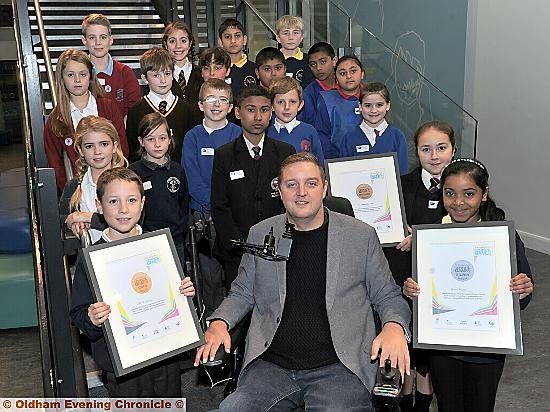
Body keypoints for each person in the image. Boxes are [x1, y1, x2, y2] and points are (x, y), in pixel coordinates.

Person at [196, 152, 411, 411]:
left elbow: (388, 296)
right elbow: (242, 292)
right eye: (291, 184)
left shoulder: (361, 236)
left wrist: (394, 327)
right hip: (271, 366)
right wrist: (219, 323)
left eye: (311, 183)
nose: (301, 192)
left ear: (324, 188)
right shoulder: (262, 232)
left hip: (339, 367)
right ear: (279, 190)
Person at [403, 158, 534, 412]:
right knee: (448, 405)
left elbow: (524, 295)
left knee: (480, 406)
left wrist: (522, 290)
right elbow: (422, 287)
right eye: (450, 194)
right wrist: (410, 290)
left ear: (484, 194)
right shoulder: (433, 236)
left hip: (487, 348)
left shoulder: (500, 238)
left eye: (469, 193)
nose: (458, 202)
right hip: (443, 346)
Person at [70, 167, 196, 397]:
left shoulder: (159, 247)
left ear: (143, 202)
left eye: (131, 200)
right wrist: (92, 318)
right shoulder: (93, 259)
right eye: (113, 201)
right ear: (99, 206)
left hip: (164, 356)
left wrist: (184, 294)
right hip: (122, 365)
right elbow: (78, 313)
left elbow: (173, 297)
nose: (123, 209)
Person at [384, 121, 456, 411]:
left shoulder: (462, 188)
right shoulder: (399, 185)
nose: (434, 156)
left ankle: (423, 404)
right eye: (426, 149)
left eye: (441, 148)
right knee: (407, 348)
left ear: (453, 149)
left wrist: (423, 238)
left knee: (431, 357)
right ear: (416, 152)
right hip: (404, 279)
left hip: (444, 284)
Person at [210, 86, 295, 288]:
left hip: (278, 248)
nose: (258, 116)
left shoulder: (284, 152)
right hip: (238, 250)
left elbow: (292, 201)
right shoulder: (225, 155)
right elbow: (220, 206)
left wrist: (285, 241)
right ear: (238, 113)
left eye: (264, 110)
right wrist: (239, 246)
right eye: (251, 110)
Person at [182, 79, 241, 314]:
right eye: (210, 99)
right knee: (209, 276)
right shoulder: (193, 137)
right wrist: (215, 206)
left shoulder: (238, 134)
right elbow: (192, 178)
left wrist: (227, 207)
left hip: (235, 216)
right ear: (200, 105)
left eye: (222, 100)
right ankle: (212, 319)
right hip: (203, 217)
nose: (216, 105)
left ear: (230, 107)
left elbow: (240, 176)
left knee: (237, 273)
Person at [44, 48, 128, 192]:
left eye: (82, 74)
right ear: (62, 78)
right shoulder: (55, 120)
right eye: (70, 75)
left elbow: (122, 148)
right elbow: (56, 165)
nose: (77, 80)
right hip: (79, 191)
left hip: (113, 186)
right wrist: (72, 192)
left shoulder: (108, 108)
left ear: (90, 77)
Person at [128, 113, 189, 266]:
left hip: (175, 240)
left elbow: (183, 203)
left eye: (162, 138)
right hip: (146, 240)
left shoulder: (177, 170)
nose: (157, 144)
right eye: (150, 139)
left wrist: (180, 228)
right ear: (141, 142)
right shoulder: (134, 172)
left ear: (169, 139)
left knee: (178, 285)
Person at [59, 116, 127, 243]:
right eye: (89, 146)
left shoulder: (129, 182)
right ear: (81, 150)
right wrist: (73, 222)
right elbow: (59, 218)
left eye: (104, 144)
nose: (97, 152)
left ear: (114, 146)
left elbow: (127, 222)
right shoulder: (75, 185)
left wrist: (88, 217)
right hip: (90, 257)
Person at [126, 47, 196, 163]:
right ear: (144, 78)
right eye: (156, 75)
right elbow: (133, 151)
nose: (163, 80)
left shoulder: (186, 109)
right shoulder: (136, 111)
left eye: (167, 74)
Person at [81, 13, 141, 119]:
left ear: (111, 40)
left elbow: (133, 111)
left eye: (103, 37)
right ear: (84, 40)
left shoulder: (125, 73)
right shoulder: (79, 75)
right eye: (92, 38)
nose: (98, 42)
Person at [340, 82, 408, 175]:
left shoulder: (397, 136)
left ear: (387, 105)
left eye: (379, 105)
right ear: (360, 106)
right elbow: (344, 173)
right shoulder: (349, 137)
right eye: (368, 105)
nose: (373, 110)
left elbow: (402, 173)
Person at [313, 55, 364, 159]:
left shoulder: (374, 96)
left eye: (353, 71)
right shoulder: (326, 100)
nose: (348, 76)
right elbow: (322, 135)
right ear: (336, 78)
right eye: (342, 73)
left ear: (362, 74)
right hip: (337, 161)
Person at [267, 77, 324, 164]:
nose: (287, 107)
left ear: (300, 105)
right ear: (272, 105)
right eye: (281, 102)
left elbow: (319, 165)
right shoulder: (266, 133)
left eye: (292, 102)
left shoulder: (309, 131)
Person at [162, 21, 202, 107]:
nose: (178, 46)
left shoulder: (201, 73)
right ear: (166, 45)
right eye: (172, 41)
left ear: (190, 43)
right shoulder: (160, 76)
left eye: (183, 41)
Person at [298, 42, 337, 125]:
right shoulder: (309, 94)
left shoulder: (347, 86)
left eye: (323, 62)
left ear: (334, 61)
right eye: (313, 64)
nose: (318, 68)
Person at [217, 18, 257, 98]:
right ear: (220, 42)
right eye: (227, 37)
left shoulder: (255, 69)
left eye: (237, 36)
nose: (233, 41)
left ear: (244, 40)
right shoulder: (216, 70)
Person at [275, 15, 314, 87]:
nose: (291, 37)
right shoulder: (272, 60)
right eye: (286, 33)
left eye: (295, 33)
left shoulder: (309, 61)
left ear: (302, 37)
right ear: (278, 37)